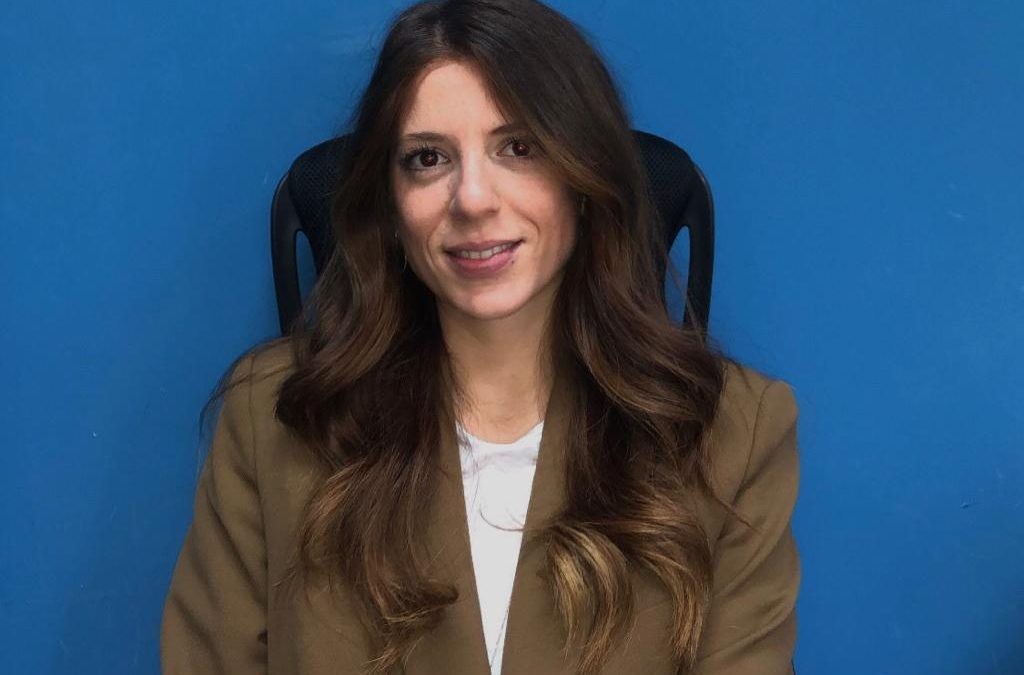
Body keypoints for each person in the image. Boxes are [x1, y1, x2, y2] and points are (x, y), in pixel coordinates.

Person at [160, 0, 801, 673]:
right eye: (427, 158)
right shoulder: (269, 420)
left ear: (585, 179)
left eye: (518, 148)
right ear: (390, 203)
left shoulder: (735, 434)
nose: (472, 199)